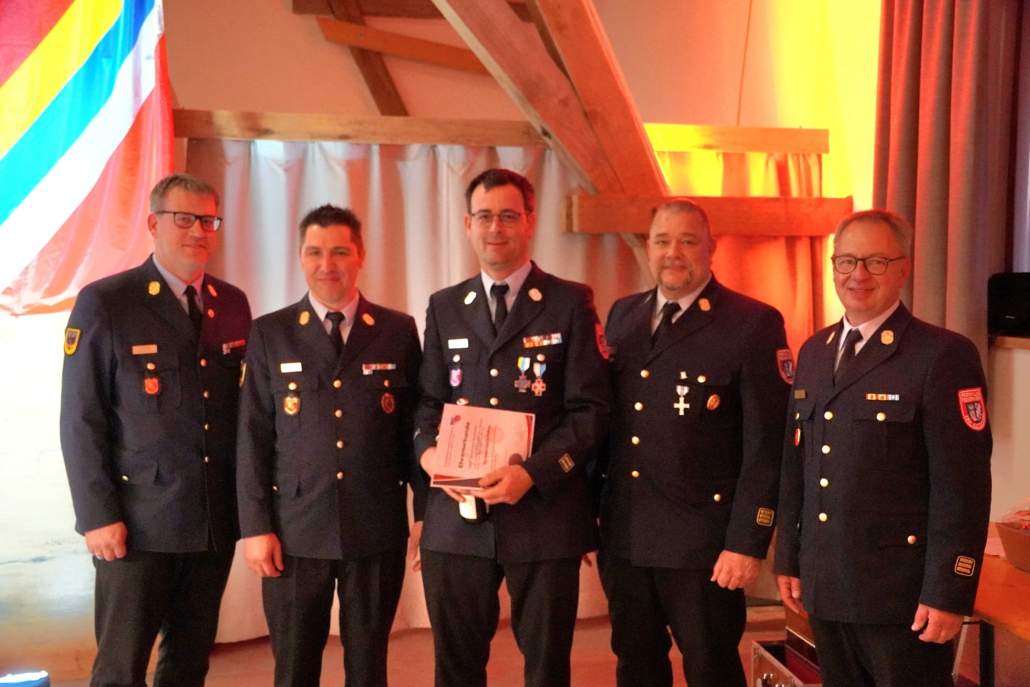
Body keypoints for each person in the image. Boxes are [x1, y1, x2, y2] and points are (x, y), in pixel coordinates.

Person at [774, 209, 993, 687]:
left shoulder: (941, 354)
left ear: (903, 270)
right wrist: (789, 557)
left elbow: (963, 487)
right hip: (826, 583)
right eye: (847, 261)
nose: (858, 275)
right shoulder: (814, 352)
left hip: (902, 597)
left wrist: (948, 591)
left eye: (876, 261)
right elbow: (797, 466)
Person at [414, 168, 611, 687]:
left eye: (507, 215)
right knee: (455, 669)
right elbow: (428, 402)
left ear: (529, 222)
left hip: (544, 515)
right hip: (457, 517)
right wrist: (429, 455)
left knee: (546, 670)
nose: (495, 228)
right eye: (484, 216)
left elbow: (590, 411)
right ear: (467, 224)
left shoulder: (570, 302)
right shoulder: (445, 306)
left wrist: (534, 473)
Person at [60, 173, 252, 687]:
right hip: (137, 523)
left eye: (208, 220)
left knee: (188, 663)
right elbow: (81, 418)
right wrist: (98, 515)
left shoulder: (232, 303)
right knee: (121, 667)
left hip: (211, 519)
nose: (198, 231)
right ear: (153, 223)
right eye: (184, 218)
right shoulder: (107, 301)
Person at [596, 198, 792, 687]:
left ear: (711, 247)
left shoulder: (752, 323)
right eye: (662, 241)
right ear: (647, 247)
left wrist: (747, 543)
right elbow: (606, 426)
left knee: (711, 670)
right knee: (635, 666)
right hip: (626, 534)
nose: (673, 253)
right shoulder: (623, 315)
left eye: (687, 241)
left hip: (704, 544)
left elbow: (767, 447)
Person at [236, 204, 424, 687]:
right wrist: (256, 527)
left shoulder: (397, 330)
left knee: (368, 665)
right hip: (295, 533)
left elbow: (415, 431)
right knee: (294, 666)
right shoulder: (271, 332)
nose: (327, 265)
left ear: (360, 255)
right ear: (300, 257)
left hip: (375, 527)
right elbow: (253, 437)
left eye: (340, 251)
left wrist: (425, 511)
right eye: (315, 252)